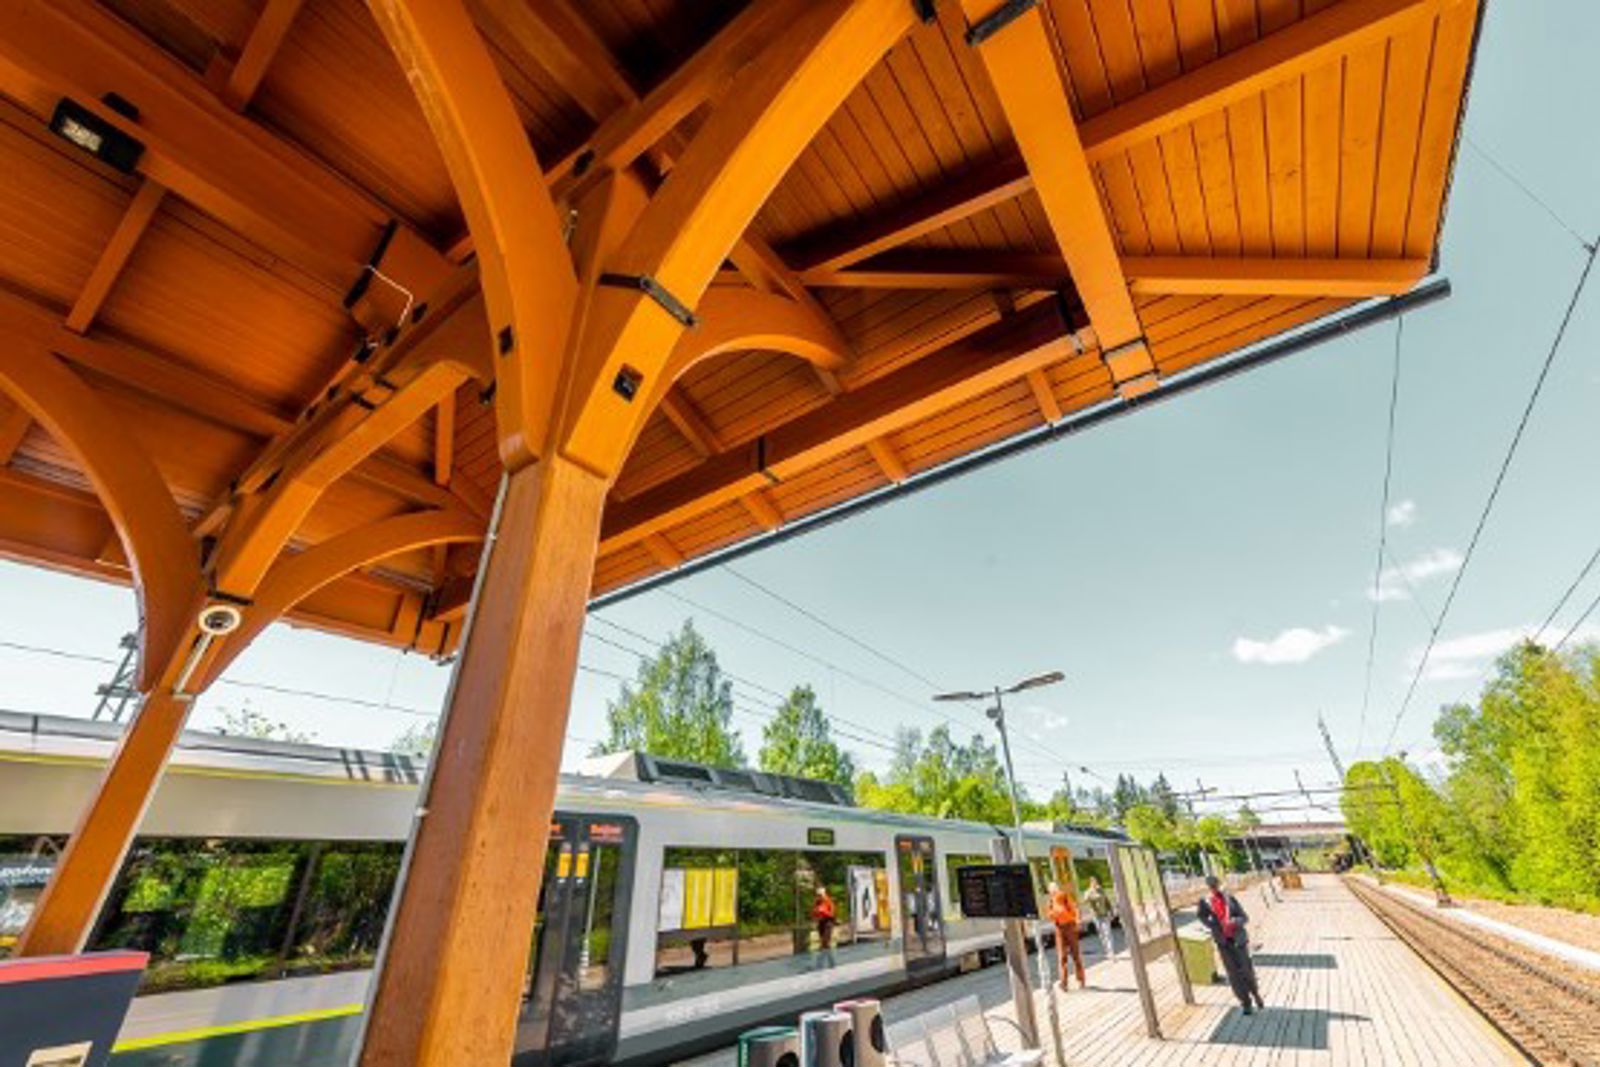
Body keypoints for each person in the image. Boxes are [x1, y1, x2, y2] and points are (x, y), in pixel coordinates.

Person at [1197, 874, 1264, 1015]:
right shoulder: (1204, 902)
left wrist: (1234, 921)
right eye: (1210, 886)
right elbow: (1201, 916)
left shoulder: (1229, 898)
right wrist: (1212, 925)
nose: (1213, 888)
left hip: (1238, 940)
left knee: (1246, 971)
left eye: (1214, 885)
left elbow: (1244, 917)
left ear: (1218, 884)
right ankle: (1245, 1002)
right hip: (1223, 943)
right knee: (1233, 974)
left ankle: (1255, 993)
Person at [1047, 882, 1086, 990]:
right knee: (1062, 957)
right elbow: (1049, 914)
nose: (1052, 891)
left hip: (1069, 926)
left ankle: (1081, 979)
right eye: (1051, 890)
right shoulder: (1051, 901)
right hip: (1059, 929)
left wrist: (1076, 921)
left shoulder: (1064, 896)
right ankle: (1064, 983)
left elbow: (1073, 909)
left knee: (1075, 955)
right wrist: (1053, 915)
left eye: (1053, 889)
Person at [1083, 876, 1116, 960]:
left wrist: (1111, 911)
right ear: (1091, 883)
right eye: (1093, 882)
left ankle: (1111, 952)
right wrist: (1091, 892)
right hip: (1096, 916)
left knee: (1108, 933)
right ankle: (1107, 950)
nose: (1095, 884)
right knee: (1102, 934)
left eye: (1096, 882)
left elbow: (1107, 901)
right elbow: (1085, 900)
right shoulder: (1088, 892)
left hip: (1104, 914)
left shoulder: (1101, 890)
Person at [812, 886, 837, 952]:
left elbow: (832, 914)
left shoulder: (829, 901)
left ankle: (826, 951)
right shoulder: (817, 902)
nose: (819, 897)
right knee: (822, 939)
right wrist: (815, 914)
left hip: (828, 922)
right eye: (818, 895)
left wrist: (824, 911)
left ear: (824, 894)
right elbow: (813, 912)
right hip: (821, 922)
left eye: (820, 895)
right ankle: (825, 952)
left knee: (825, 940)